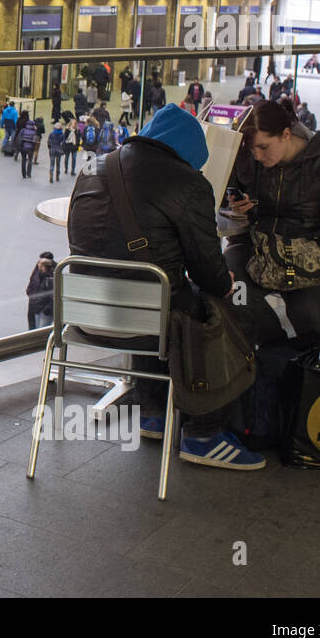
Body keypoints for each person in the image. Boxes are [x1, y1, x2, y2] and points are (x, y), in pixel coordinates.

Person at [69, 103, 264, 470]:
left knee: (149, 293)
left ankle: (154, 412)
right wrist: (228, 285)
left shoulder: (91, 168)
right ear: (189, 155)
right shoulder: (190, 183)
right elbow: (210, 273)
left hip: (84, 314)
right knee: (229, 311)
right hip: (144, 323)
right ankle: (204, 433)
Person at [225, 99, 320, 344]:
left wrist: (309, 243)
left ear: (286, 134)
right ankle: (276, 351)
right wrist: (234, 203)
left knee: (306, 312)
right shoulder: (250, 157)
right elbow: (229, 191)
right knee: (234, 292)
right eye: (253, 148)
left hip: (305, 255)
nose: (257, 155)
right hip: (255, 247)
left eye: (264, 147)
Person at [25, 252, 56, 329]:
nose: (40, 266)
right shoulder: (36, 272)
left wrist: (48, 309)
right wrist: (29, 292)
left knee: (42, 332)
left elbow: (56, 294)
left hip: (45, 311)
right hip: (34, 306)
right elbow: (32, 283)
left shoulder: (53, 275)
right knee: (32, 331)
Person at [17, 110, 39, 178]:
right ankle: (28, 173)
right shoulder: (34, 132)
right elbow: (35, 141)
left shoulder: (23, 130)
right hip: (30, 148)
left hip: (23, 147)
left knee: (23, 160)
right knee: (30, 160)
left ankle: (23, 174)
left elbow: (19, 137)